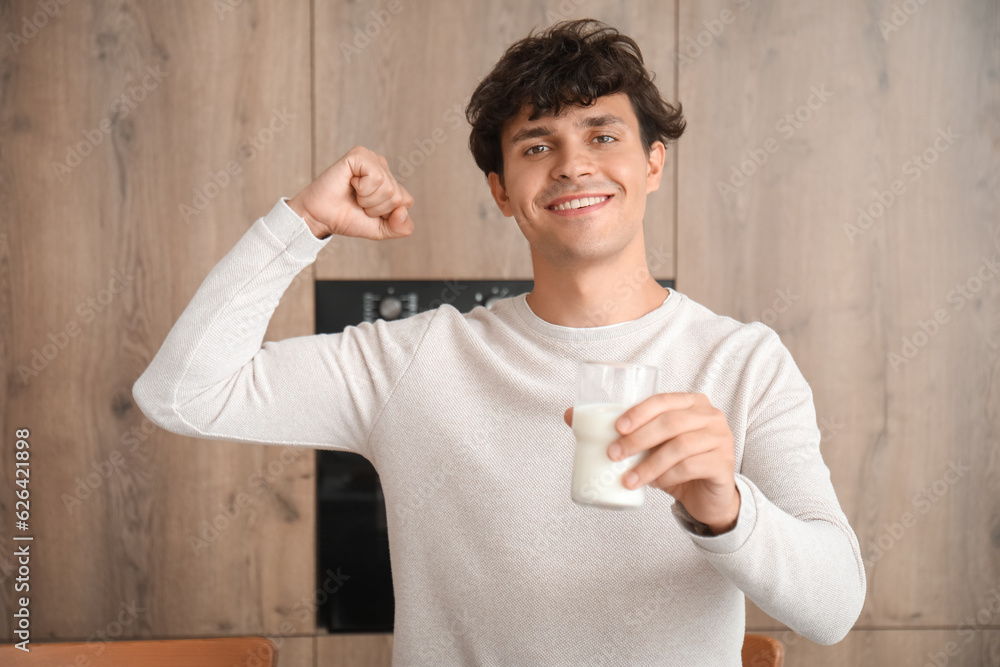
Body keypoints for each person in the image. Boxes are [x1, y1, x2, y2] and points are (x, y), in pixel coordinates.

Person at [133, 18, 865, 665]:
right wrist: (301, 223)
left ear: (652, 163)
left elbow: (832, 609)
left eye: (603, 135)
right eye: (537, 145)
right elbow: (181, 393)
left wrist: (726, 505)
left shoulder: (743, 363)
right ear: (502, 190)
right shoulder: (415, 362)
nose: (573, 164)